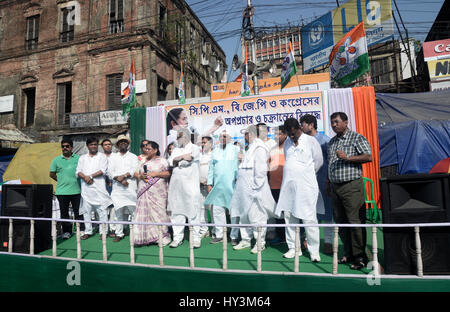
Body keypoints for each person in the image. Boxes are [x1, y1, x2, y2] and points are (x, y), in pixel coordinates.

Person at [327, 112, 372, 270]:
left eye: (337, 122)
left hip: (351, 186)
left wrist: (348, 158)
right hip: (335, 187)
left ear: (346, 122)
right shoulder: (332, 142)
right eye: (332, 122)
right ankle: (348, 253)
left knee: (355, 222)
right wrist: (328, 183)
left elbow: (368, 156)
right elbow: (330, 164)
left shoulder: (356, 137)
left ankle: (360, 256)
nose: (334, 125)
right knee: (341, 222)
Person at [275, 118, 323, 262]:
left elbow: (318, 162)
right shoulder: (288, 143)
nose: (291, 137)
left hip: (306, 186)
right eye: (288, 134)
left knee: (309, 219)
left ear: (299, 128)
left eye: (293, 133)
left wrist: (304, 174)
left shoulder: (311, 141)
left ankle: (314, 251)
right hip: (288, 187)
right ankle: (293, 249)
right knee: (289, 218)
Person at [230, 125, 276, 254]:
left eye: (247, 134)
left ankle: (260, 243)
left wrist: (256, 188)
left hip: (254, 188)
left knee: (257, 216)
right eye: (245, 134)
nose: (245, 136)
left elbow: (261, 171)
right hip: (243, 188)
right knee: (243, 215)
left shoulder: (260, 148)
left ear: (253, 134)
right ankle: (245, 240)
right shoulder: (249, 148)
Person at [300, 114, 333, 255]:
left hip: (323, 182)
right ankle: (309, 239)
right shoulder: (301, 141)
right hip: (307, 183)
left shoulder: (325, 140)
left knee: (328, 213)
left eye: (303, 124)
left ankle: (329, 242)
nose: (301, 127)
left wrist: (329, 180)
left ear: (311, 125)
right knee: (309, 212)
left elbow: (332, 161)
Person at [167, 128, 202, 248]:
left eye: (179, 136)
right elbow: (171, 162)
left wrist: (178, 159)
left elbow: (189, 159)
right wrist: (181, 157)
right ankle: (177, 238)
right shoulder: (175, 149)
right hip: (176, 185)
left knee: (194, 212)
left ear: (186, 136)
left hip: (191, 185)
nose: (177, 139)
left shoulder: (195, 148)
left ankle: (196, 238)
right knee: (177, 212)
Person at [204, 132, 240, 245]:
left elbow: (240, 165)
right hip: (218, 185)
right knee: (217, 210)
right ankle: (219, 234)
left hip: (232, 184)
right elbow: (211, 168)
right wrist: (209, 183)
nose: (222, 138)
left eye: (225, 136)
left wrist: (239, 180)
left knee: (234, 211)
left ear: (229, 138)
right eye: (221, 136)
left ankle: (234, 236)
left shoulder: (236, 149)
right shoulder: (215, 151)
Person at [133, 141, 172, 246]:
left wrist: (156, 173)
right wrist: (141, 176)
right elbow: (135, 173)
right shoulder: (142, 161)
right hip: (144, 190)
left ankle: (163, 237)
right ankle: (146, 237)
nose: (147, 150)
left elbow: (168, 173)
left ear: (155, 150)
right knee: (145, 214)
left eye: (149, 149)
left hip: (158, 193)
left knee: (159, 213)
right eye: (146, 148)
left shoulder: (162, 161)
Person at [76, 137, 113, 240]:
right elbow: (78, 171)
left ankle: (103, 232)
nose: (93, 146)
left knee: (102, 211)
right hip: (86, 190)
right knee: (86, 212)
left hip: (99, 189)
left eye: (95, 144)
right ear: (87, 146)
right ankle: (88, 231)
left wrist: (90, 176)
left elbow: (103, 170)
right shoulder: (82, 158)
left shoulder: (102, 157)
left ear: (97, 146)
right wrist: (85, 177)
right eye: (91, 144)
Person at [107, 135, 139, 242]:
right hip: (118, 188)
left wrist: (124, 176)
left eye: (125, 141)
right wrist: (120, 179)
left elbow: (134, 169)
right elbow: (110, 172)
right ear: (117, 144)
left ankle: (136, 234)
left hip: (130, 187)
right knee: (118, 211)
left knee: (133, 211)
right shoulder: (113, 157)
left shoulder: (133, 156)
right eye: (121, 142)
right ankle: (119, 233)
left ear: (128, 144)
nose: (123, 143)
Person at [49, 137, 82, 239]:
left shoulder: (79, 158)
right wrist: (62, 181)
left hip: (77, 190)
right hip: (62, 191)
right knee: (64, 213)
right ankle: (67, 232)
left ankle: (80, 230)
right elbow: (52, 174)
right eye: (63, 147)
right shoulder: (56, 160)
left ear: (71, 147)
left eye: (67, 146)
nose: (65, 148)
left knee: (79, 212)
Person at [268, 125, 288, 245]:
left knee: (288, 214)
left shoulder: (289, 148)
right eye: (275, 134)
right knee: (277, 213)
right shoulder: (272, 149)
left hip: (286, 187)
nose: (276, 136)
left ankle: (292, 238)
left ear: (285, 135)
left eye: (279, 134)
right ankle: (280, 236)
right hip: (274, 186)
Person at [100, 138, 116, 237]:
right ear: (102, 147)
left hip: (114, 183)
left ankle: (113, 229)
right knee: (103, 207)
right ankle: (103, 230)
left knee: (114, 207)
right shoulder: (99, 157)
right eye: (105, 144)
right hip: (102, 184)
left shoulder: (115, 156)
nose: (108, 146)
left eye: (109, 144)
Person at [199, 136, 213, 239]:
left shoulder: (214, 155)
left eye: (205, 142)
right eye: (202, 143)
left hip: (211, 186)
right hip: (199, 186)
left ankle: (216, 231)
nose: (203, 144)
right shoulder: (199, 156)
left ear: (211, 144)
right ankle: (204, 230)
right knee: (201, 208)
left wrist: (210, 182)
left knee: (213, 209)